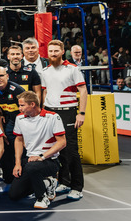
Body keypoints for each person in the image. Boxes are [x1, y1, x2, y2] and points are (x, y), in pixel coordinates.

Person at [40, 40, 87, 201]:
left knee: (71, 151)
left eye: (56, 51)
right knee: (56, 151)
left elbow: (83, 90)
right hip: (50, 112)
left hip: (68, 112)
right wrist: (43, 112)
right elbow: (45, 93)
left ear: (62, 52)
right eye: (50, 51)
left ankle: (77, 187)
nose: (53, 53)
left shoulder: (72, 69)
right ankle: (65, 182)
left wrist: (81, 113)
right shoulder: (45, 71)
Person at [8, 92, 66, 210]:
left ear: (32, 104)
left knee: (31, 167)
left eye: (22, 105)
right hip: (30, 160)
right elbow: (18, 140)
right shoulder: (19, 118)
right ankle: (49, 183)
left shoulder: (53, 117)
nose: (19, 108)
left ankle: (42, 198)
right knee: (14, 194)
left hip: (50, 161)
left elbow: (62, 142)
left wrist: (42, 156)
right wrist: (17, 163)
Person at [0, 65, 24, 189]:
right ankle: (8, 179)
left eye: (1, 75)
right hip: (7, 120)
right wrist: (1, 133)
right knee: (5, 145)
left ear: (7, 76)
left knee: (19, 147)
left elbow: (26, 111)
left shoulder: (17, 90)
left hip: (22, 119)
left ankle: (22, 177)